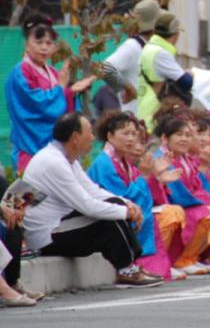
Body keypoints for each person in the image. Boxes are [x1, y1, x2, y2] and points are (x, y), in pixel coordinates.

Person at [19, 112, 162, 287]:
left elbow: (92, 190)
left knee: (115, 205)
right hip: (46, 236)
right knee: (108, 221)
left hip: (59, 225)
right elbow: (86, 205)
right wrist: (125, 212)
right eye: (89, 132)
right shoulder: (53, 162)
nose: (93, 137)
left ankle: (130, 266)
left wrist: (127, 204)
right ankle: (126, 269)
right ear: (76, 137)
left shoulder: (66, 159)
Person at [87, 110, 185, 282]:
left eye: (133, 133)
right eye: (125, 133)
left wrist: (157, 178)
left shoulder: (123, 162)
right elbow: (120, 198)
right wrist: (148, 176)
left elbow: (145, 194)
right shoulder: (104, 164)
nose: (131, 139)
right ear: (110, 136)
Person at [5, 14, 94, 173]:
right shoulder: (20, 72)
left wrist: (70, 92)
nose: (44, 47)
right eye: (38, 42)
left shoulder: (52, 72)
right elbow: (36, 104)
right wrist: (61, 89)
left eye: (48, 43)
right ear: (26, 44)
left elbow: (61, 102)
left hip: (54, 149)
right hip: (29, 145)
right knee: (30, 195)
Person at [147, 114, 210, 276]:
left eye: (188, 135)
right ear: (165, 138)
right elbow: (175, 194)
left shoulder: (187, 159)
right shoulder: (162, 159)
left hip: (186, 204)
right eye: (179, 135)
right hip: (176, 205)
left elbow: (198, 187)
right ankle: (182, 260)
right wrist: (203, 202)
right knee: (204, 213)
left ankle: (196, 257)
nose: (185, 139)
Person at [97, 0, 161, 114]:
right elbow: (105, 68)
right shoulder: (133, 46)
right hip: (136, 121)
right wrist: (129, 89)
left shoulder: (149, 47)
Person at [136, 12, 194, 126]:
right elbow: (187, 82)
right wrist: (191, 74)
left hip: (146, 104)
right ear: (176, 35)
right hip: (154, 109)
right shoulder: (160, 54)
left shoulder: (149, 48)